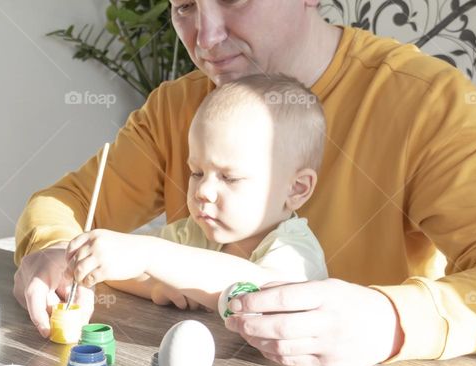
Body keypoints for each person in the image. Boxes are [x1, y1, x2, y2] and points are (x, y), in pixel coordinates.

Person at [13, 0, 476, 366]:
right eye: (183, 7)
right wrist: (53, 248)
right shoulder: (177, 106)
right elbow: (65, 204)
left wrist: (391, 320)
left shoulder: (428, 104)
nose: (206, 37)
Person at [65, 73, 328, 314]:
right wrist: (155, 285)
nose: (203, 191)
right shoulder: (194, 233)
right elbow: (123, 266)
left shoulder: (295, 249)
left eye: (229, 177)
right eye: (196, 173)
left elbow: (256, 293)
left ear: (297, 188)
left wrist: (150, 256)